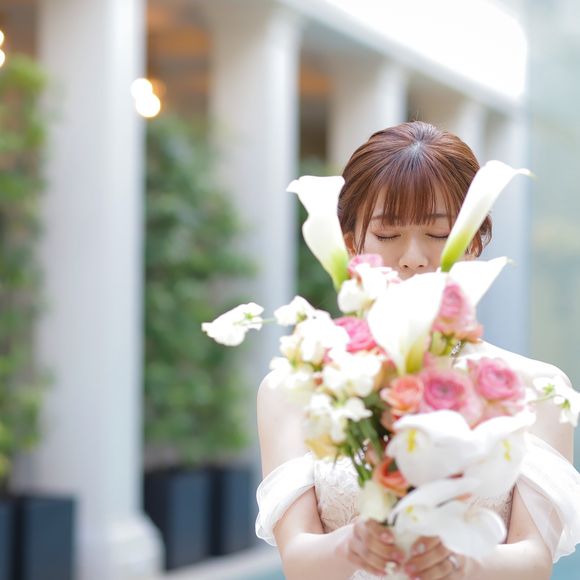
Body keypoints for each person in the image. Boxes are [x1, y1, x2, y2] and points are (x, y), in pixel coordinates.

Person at [255, 121, 580, 579]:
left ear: (474, 242)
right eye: (387, 235)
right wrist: (355, 544)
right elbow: (298, 561)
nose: (413, 256)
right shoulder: (295, 386)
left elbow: (534, 561)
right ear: (350, 244)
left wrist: (460, 562)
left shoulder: (537, 388)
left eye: (439, 233)